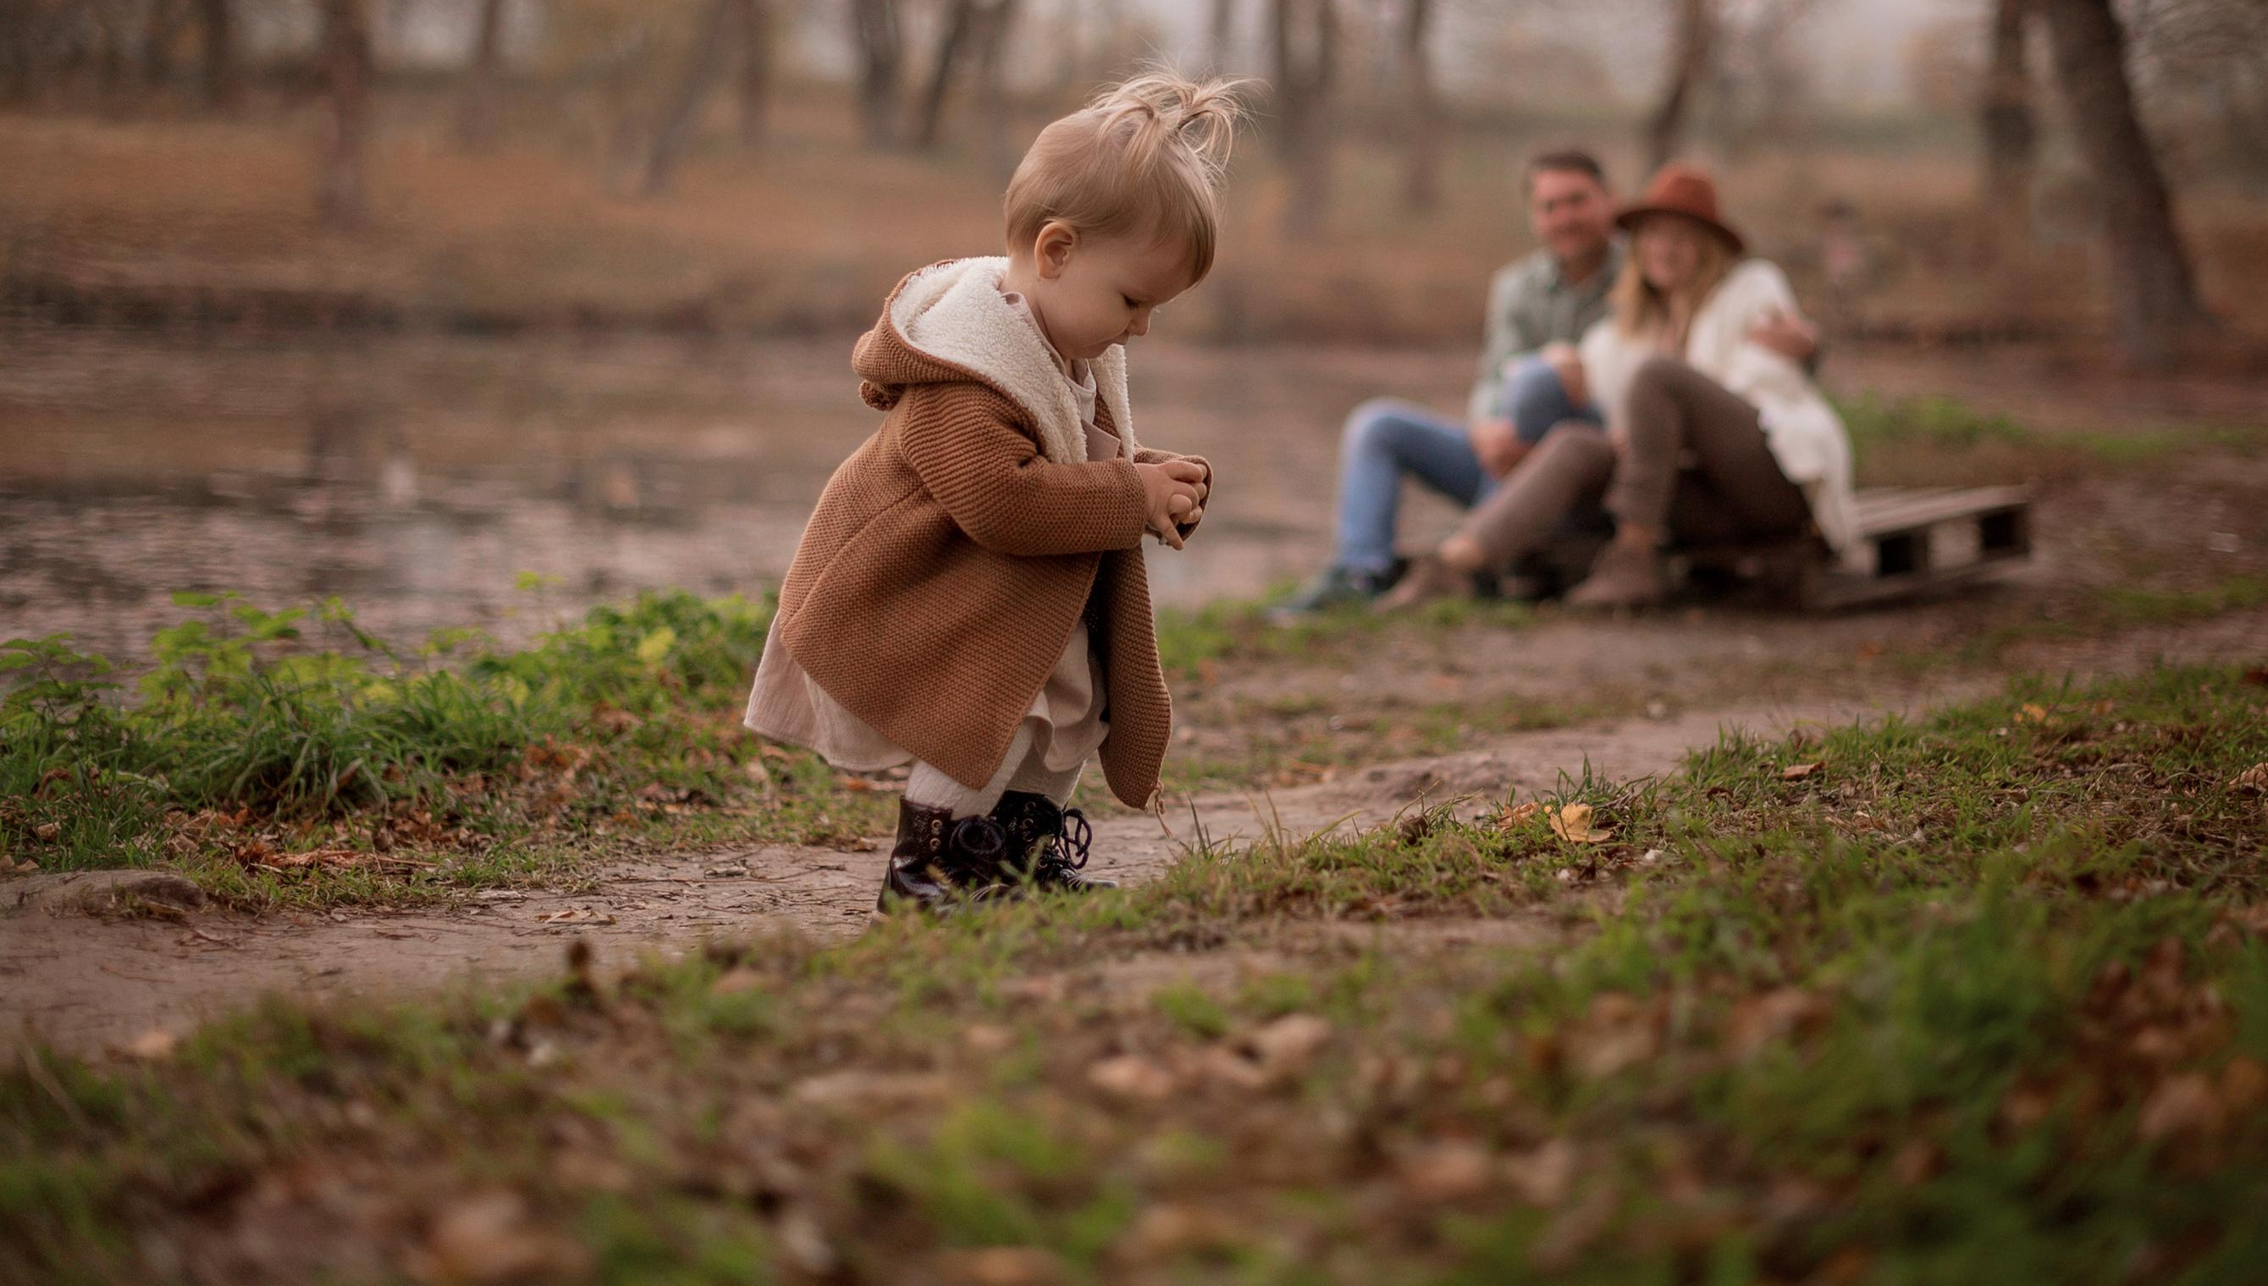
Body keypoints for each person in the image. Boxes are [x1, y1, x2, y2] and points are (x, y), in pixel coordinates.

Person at [742, 71, 1236, 912]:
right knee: (990, 716)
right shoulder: (965, 370)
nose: (1141, 327)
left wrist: (1148, 473)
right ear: (1055, 250)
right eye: (1132, 299)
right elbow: (1001, 500)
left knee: (1069, 714)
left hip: (1010, 592)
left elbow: (1070, 453)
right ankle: (931, 861)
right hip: (922, 588)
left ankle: (1018, 856)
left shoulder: (1064, 341)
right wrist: (1128, 494)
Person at [1380, 163, 1851, 613]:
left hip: (1770, 483)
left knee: (1657, 376)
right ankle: (1455, 563)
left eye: (1681, 237)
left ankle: (1632, 555)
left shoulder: (1752, 288)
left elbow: (1766, 383)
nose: (1664, 249)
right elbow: (1588, 370)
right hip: (1708, 504)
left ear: (1707, 245)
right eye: (1653, 236)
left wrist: (1671, 425)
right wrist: (1556, 358)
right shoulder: (1633, 328)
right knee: (1575, 444)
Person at [1274, 147, 1625, 614]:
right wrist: (1485, 429)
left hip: (1586, 467)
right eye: (1549, 206)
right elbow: (1493, 380)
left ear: (1609, 200)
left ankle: (1478, 557)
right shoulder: (1515, 286)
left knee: (1538, 381)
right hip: (1505, 459)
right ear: (1534, 216)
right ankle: (1362, 573)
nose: (1564, 217)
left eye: (1577, 201)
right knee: (1377, 424)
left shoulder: (1642, 278)